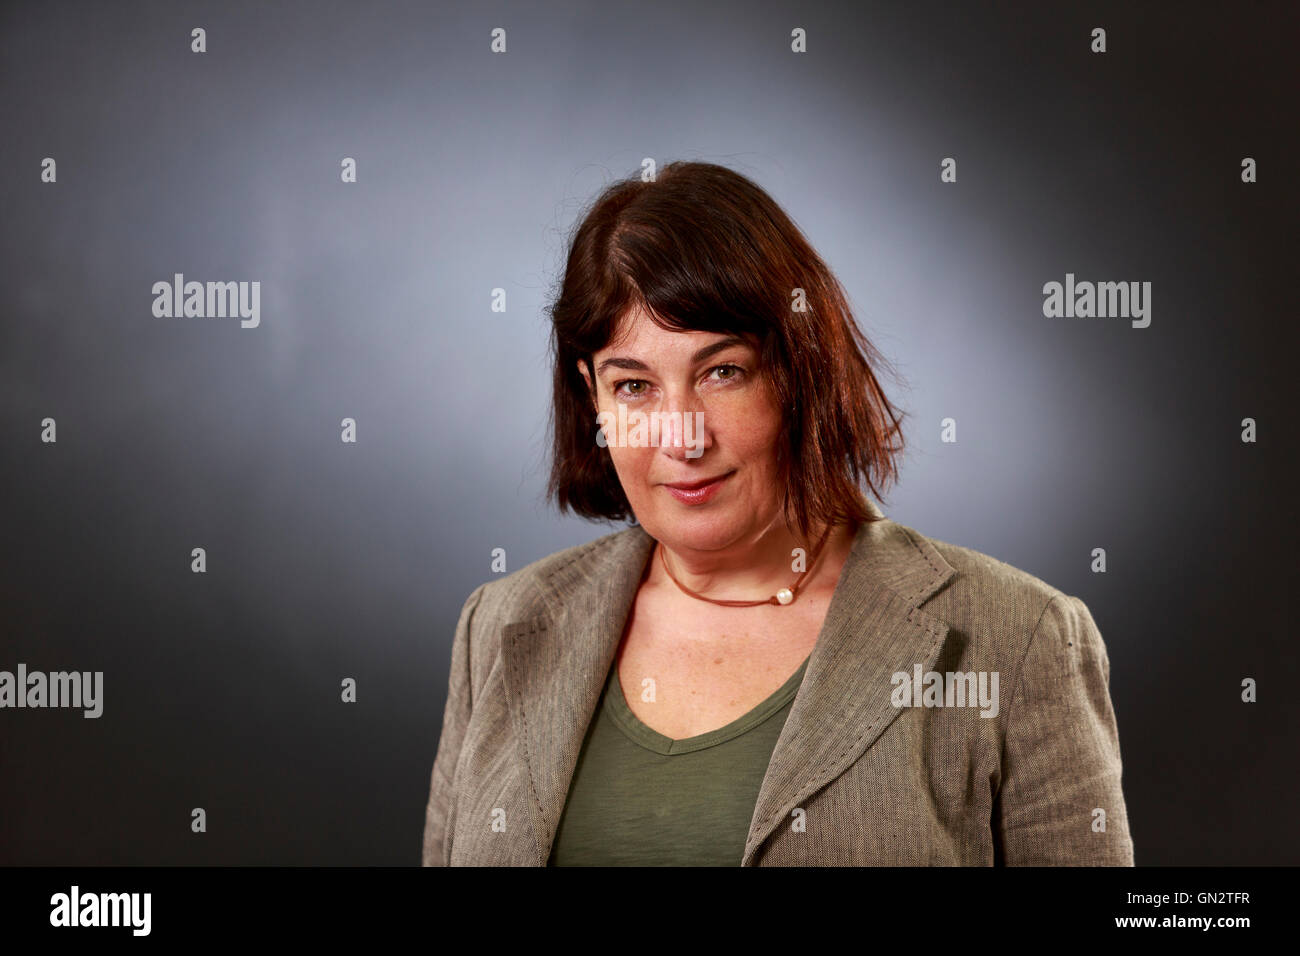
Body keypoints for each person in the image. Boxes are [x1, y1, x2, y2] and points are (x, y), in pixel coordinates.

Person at [422, 161, 1134, 866]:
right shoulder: (501, 627)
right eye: (634, 386)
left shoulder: (1021, 640)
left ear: (800, 372)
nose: (682, 437)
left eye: (722, 372)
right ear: (592, 398)